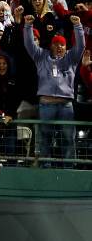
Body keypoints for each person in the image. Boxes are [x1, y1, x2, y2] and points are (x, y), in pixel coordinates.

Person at [23, 13, 85, 166]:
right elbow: (29, 45)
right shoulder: (41, 57)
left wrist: (78, 26)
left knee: (68, 138)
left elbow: (81, 46)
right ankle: (45, 166)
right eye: (56, 44)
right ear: (51, 45)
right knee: (45, 137)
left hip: (66, 106)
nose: (59, 47)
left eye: (62, 45)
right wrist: (28, 26)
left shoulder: (71, 58)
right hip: (46, 104)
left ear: (66, 47)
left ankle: (69, 168)